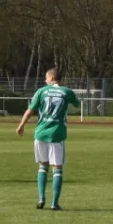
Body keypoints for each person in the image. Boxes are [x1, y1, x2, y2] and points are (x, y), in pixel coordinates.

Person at [16, 68, 80, 211]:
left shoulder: (41, 91)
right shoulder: (66, 91)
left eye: (46, 78)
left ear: (51, 78)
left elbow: (30, 111)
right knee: (57, 168)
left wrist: (21, 125)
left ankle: (41, 198)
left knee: (42, 166)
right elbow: (76, 104)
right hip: (57, 134)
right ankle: (54, 203)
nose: (45, 80)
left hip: (40, 133)